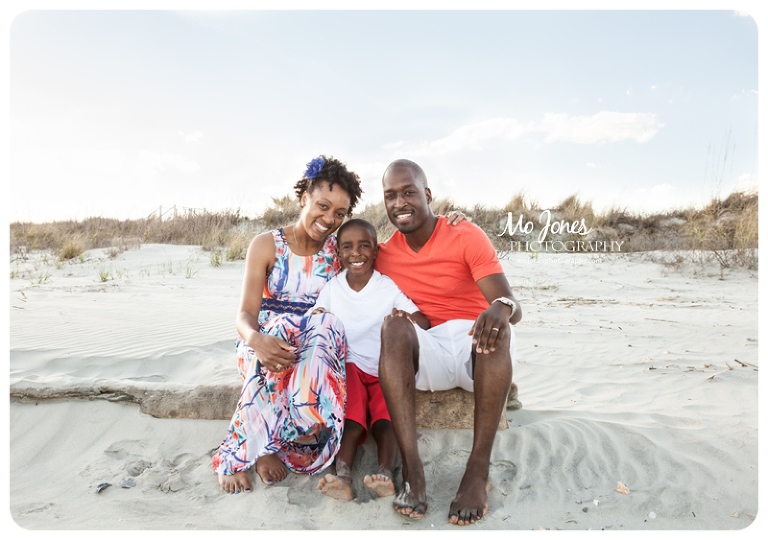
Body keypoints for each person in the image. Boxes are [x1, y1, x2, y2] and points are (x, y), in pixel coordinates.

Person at [374, 159, 523, 525]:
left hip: (480, 347)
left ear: (427, 195)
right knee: (393, 328)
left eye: (409, 192)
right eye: (391, 195)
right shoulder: (384, 254)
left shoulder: (464, 234)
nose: (399, 202)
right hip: (433, 350)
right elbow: (343, 261)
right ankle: (413, 471)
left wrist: (500, 308)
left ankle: (477, 470)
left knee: (498, 329)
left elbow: (512, 306)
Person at [212, 155, 363, 494]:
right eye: (323, 206)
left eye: (340, 213)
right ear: (304, 198)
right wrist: (256, 340)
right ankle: (251, 451)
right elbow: (244, 315)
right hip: (265, 341)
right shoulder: (267, 245)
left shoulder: (338, 252)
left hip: (312, 348)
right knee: (280, 330)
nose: (330, 219)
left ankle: (286, 441)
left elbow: (382, 255)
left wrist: (450, 220)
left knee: (324, 323)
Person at [309, 219, 431, 501]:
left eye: (364, 246)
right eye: (348, 247)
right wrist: (317, 316)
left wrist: (405, 318)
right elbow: (317, 317)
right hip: (349, 367)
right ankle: (343, 477)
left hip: (384, 368)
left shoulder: (386, 287)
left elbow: (422, 321)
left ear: (376, 251)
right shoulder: (333, 288)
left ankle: (385, 474)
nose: (356, 253)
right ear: (338, 253)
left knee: (386, 422)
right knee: (351, 421)